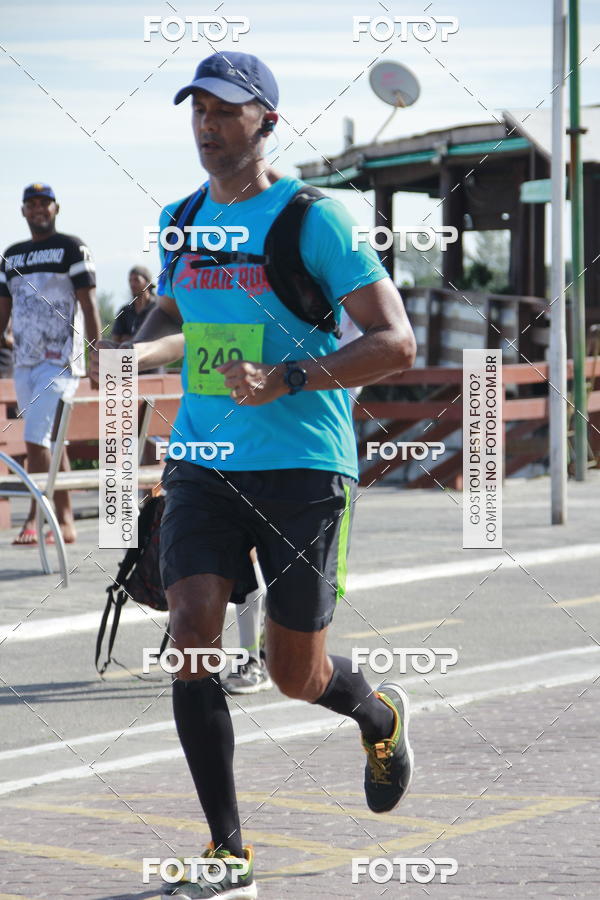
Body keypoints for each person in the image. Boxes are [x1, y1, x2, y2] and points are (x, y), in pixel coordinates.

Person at [93, 51, 416, 899]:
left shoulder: (316, 220)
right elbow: (178, 313)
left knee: (293, 674)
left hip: (304, 465)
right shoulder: (182, 217)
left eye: (226, 110)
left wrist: (288, 377)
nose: (207, 124)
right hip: (203, 460)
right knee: (192, 636)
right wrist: (137, 348)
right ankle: (227, 852)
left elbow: (396, 342)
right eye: (196, 109)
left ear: (266, 120)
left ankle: (377, 714)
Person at [0, 183, 100, 545]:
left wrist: (94, 356)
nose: (39, 209)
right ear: (22, 211)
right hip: (24, 361)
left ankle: (36, 517)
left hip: (58, 361)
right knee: (51, 441)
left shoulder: (71, 247)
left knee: (35, 439)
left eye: (45, 203)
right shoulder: (11, 255)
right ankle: (67, 521)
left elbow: (88, 305)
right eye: (32, 204)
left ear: (57, 208)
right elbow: (3, 307)